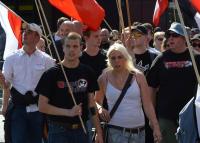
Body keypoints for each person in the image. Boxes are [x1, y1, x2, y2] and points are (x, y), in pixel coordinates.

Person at [35, 32, 103, 143]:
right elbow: (42, 106)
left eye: (75, 46)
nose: (71, 50)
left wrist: (99, 132)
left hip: (82, 129)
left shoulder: (87, 72)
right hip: (58, 131)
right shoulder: (51, 74)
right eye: (68, 46)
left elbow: (91, 105)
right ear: (63, 48)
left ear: (81, 47)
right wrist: (68, 112)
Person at [95, 43, 162, 143]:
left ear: (126, 58)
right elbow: (95, 101)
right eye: (113, 58)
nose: (116, 60)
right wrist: (100, 108)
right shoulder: (103, 78)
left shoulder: (138, 76)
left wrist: (156, 126)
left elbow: (147, 104)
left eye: (120, 57)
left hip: (139, 131)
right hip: (115, 130)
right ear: (108, 60)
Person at [1, 23, 55, 143]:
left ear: (37, 37)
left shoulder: (47, 60)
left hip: (38, 110)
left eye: (29, 32)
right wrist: (2, 82)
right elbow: (6, 85)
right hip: (18, 109)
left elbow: (52, 87)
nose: (25, 33)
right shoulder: (11, 58)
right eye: (24, 31)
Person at [147, 22, 200, 143]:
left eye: (175, 35)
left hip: (192, 116)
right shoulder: (160, 59)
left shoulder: (196, 58)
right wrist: (153, 117)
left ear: (184, 38)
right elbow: (151, 88)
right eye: (168, 35)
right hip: (166, 116)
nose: (170, 38)